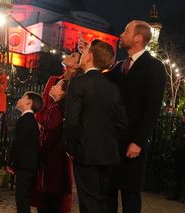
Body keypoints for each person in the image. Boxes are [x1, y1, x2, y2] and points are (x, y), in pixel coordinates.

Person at [104, 20, 166, 213]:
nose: (121, 34)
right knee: (108, 193)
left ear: (138, 37)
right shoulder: (120, 66)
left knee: (130, 194)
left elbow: (152, 108)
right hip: (113, 141)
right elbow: (98, 80)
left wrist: (138, 141)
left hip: (132, 143)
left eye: (126, 31)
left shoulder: (154, 66)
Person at [64, 39, 128, 213]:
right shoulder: (113, 88)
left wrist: (71, 147)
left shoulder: (78, 83)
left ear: (90, 56)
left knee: (89, 203)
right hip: (109, 154)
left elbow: (71, 121)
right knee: (104, 202)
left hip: (86, 152)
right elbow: (122, 123)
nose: (82, 55)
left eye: (85, 52)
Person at [33, 79, 72, 213]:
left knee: (49, 204)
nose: (52, 87)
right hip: (56, 160)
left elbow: (50, 135)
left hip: (51, 162)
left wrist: (40, 153)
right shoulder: (60, 107)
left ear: (62, 92)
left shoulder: (56, 108)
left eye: (56, 85)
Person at [7, 91, 43, 213]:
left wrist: (11, 163)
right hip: (29, 165)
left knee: (22, 200)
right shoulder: (31, 121)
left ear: (29, 102)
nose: (19, 99)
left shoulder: (25, 121)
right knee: (23, 199)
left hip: (25, 165)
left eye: (23, 97)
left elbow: (19, 144)